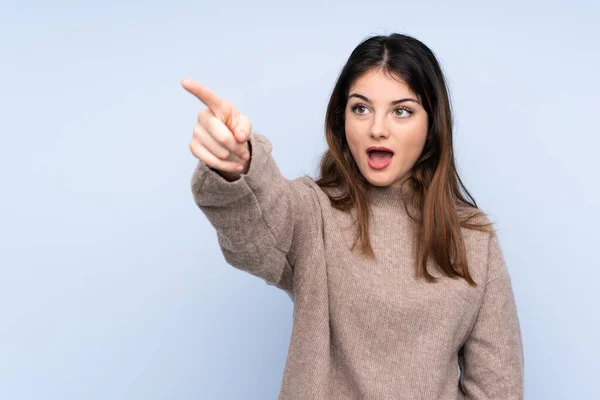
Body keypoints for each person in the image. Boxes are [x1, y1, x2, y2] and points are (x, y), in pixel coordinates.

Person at [182, 33, 524, 400]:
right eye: (361, 108)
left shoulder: (474, 239)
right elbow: (256, 230)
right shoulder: (314, 213)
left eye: (402, 111)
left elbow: (497, 388)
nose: (377, 127)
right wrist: (238, 166)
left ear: (432, 125)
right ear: (342, 118)